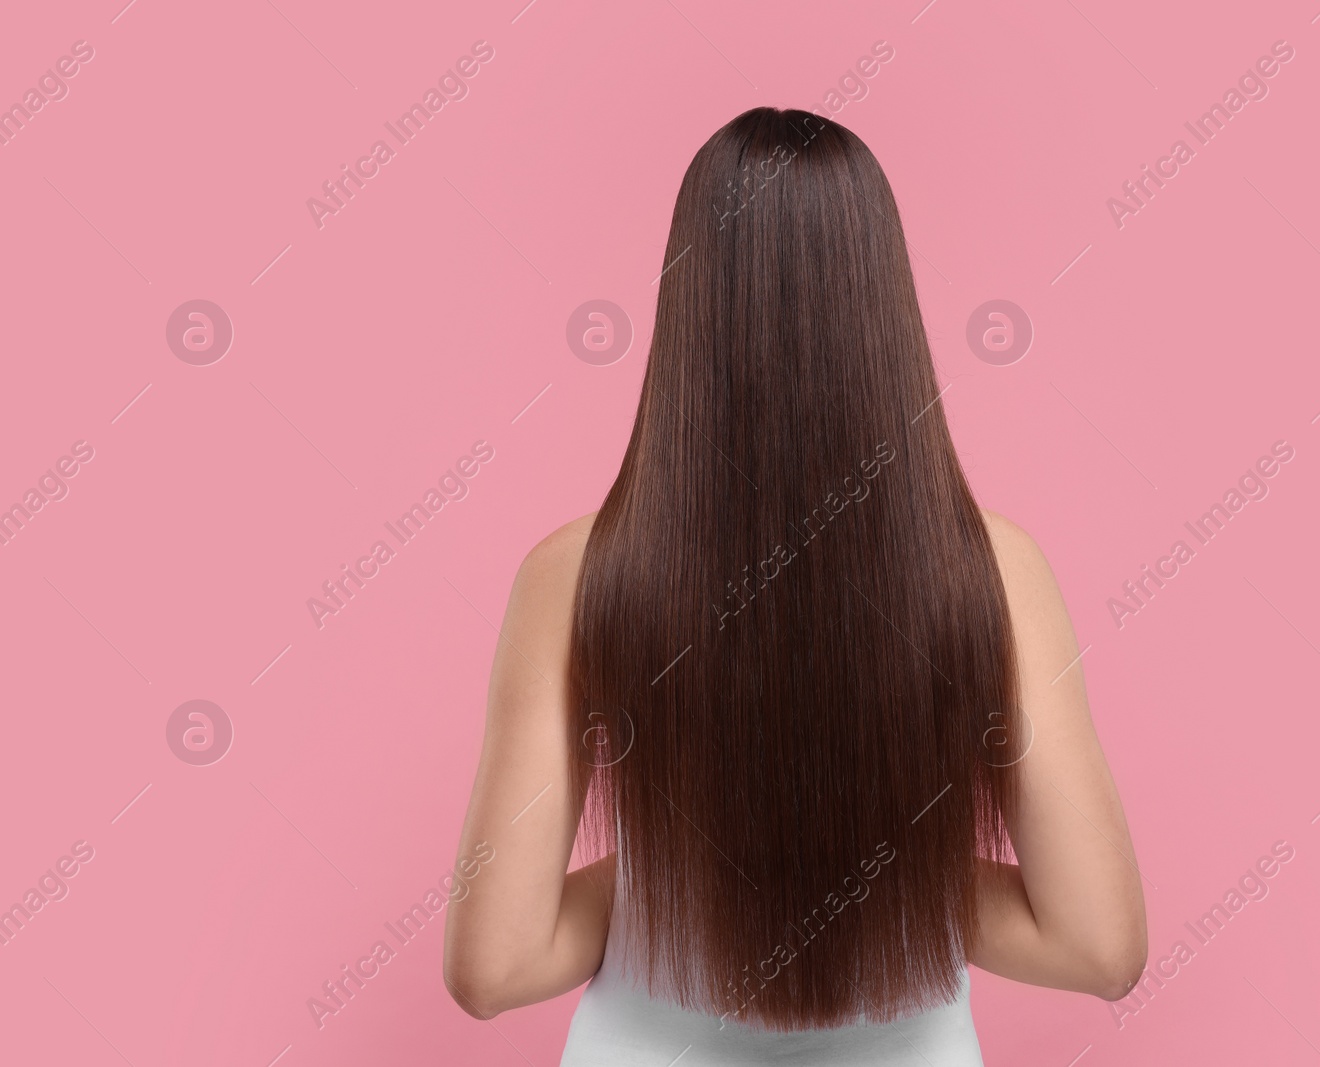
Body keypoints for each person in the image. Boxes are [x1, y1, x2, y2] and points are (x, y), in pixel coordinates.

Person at [442, 106, 1147, 1065]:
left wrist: (683, 882)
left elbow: (494, 965)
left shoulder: (574, 575)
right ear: (884, 300)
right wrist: (866, 888)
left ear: (689, 302)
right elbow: (1096, 945)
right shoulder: (994, 570)